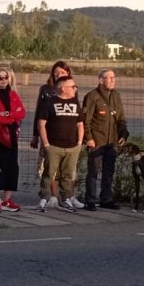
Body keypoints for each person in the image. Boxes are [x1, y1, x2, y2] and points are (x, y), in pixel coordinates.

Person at [81, 69, 128, 211]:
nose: (113, 80)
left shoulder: (116, 96)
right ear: (101, 80)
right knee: (93, 171)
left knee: (109, 171)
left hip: (112, 141)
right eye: (109, 78)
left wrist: (123, 134)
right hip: (97, 140)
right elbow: (85, 120)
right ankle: (90, 199)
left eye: (114, 77)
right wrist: (88, 138)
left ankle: (106, 199)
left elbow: (121, 118)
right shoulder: (92, 96)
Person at [36, 75, 83, 213]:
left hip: (72, 146)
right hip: (54, 146)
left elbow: (80, 124)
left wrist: (79, 143)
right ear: (63, 88)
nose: (75, 89)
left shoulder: (75, 103)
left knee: (68, 175)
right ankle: (44, 199)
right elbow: (41, 124)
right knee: (48, 173)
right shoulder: (49, 102)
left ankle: (66, 199)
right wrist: (46, 144)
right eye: (73, 86)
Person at [0, 68, 26, 213]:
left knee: (12, 167)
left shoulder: (13, 95)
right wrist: (11, 118)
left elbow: (22, 113)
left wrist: (7, 114)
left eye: (5, 77)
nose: (3, 80)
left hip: (12, 136)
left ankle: (7, 199)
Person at [32, 61, 72, 207]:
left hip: (67, 134)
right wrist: (35, 135)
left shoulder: (72, 89)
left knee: (67, 167)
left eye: (62, 72)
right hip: (48, 134)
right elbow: (38, 113)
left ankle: (68, 197)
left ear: (68, 73)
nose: (59, 74)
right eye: (56, 72)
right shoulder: (45, 89)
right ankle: (52, 196)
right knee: (49, 167)